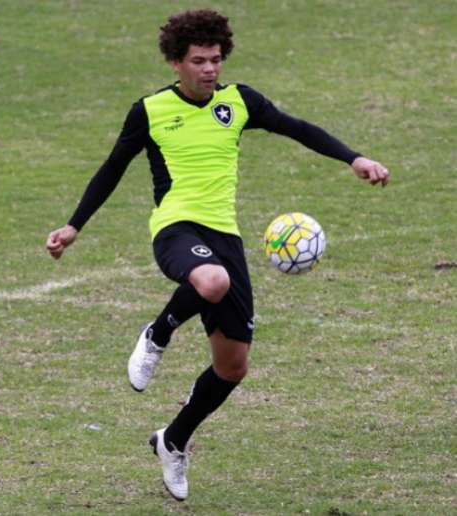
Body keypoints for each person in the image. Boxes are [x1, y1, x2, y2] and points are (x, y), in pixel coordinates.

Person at [45, 9, 389, 501]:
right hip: (176, 228)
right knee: (212, 281)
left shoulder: (239, 101)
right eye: (199, 61)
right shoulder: (150, 111)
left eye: (216, 60)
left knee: (232, 367)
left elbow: (296, 127)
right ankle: (157, 332)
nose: (210, 69)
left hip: (225, 236)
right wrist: (74, 226)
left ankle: (172, 440)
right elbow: (112, 169)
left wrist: (353, 157)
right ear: (174, 63)